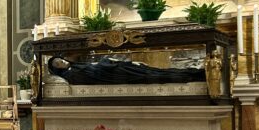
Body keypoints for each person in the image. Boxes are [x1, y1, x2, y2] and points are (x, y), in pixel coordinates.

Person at [48, 55, 205, 85]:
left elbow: (95, 66)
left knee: (157, 71)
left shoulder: (75, 66)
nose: (61, 61)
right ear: (57, 69)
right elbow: (95, 73)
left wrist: (120, 62)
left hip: (118, 68)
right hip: (116, 74)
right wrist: (110, 62)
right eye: (58, 64)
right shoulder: (72, 75)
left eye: (60, 59)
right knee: (155, 75)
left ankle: (195, 73)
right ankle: (193, 76)